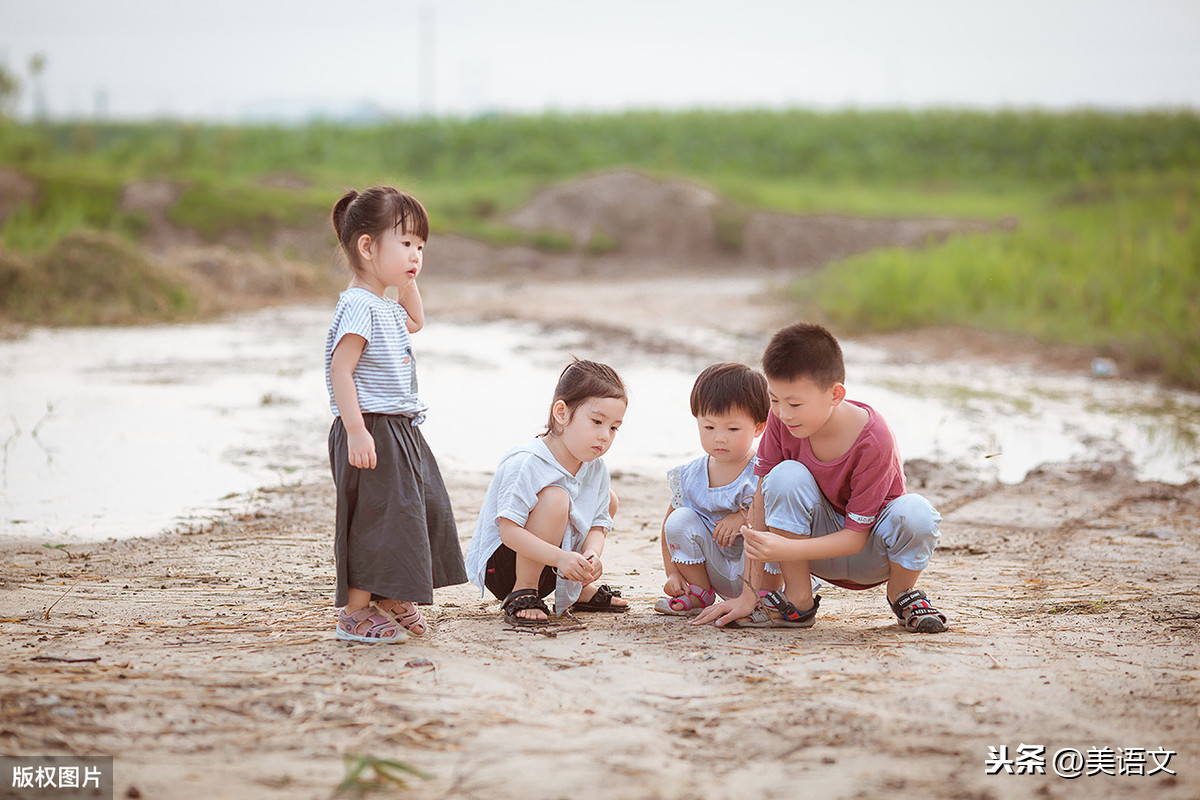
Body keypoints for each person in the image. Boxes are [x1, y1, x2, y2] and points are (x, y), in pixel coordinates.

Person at [693, 322, 947, 633]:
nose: (784, 414)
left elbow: (856, 538)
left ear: (835, 394)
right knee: (783, 476)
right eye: (774, 400)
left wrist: (785, 549)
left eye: (795, 404)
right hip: (811, 551)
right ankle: (798, 601)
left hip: (871, 552)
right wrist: (748, 596)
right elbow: (761, 500)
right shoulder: (781, 420)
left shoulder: (874, 438)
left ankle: (901, 594)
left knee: (917, 512)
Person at [325, 186, 467, 644]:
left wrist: (405, 277)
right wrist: (356, 431)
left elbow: (416, 321)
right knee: (375, 517)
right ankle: (355, 611)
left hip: (399, 428)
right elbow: (340, 371)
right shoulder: (357, 306)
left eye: (421, 247)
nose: (416, 255)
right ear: (367, 247)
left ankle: (389, 597)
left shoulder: (384, 305)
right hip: (370, 427)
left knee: (410, 511)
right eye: (405, 244)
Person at [465, 359, 630, 627]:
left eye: (613, 428)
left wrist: (591, 555)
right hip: (507, 564)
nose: (605, 436)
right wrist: (561, 558)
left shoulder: (595, 467)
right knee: (556, 498)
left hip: (557, 562)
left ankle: (577, 588)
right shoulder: (527, 462)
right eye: (597, 421)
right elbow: (509, 531)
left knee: (608, 497)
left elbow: (599, 524)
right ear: (562, 413)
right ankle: (524, 590)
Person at [655, 362, 769, 616]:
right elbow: (667, 528)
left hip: (757, 573)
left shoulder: (764, 470)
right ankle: (699, 592)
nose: (719, 437)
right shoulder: (689, 476)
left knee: (775, 522)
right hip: (714, 567)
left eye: (732, 429)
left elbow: (782, 515)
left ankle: (766, 598)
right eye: (709, 427)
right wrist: (672, 573)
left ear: (759, 427)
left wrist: (741, 516)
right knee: (680, 519)